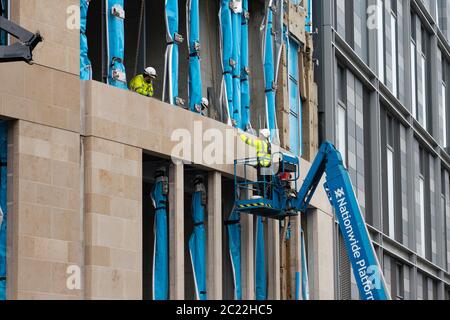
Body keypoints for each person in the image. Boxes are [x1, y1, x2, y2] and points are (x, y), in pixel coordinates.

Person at [240, 129, 272, 197]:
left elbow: (249, 141)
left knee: (261, 181)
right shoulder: (268, 144)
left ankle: (263, 195)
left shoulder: (260, 142)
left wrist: (241, 134)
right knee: (266, 181)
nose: (259, 135)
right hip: (267, 165)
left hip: (262, 164)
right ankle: (267, 195)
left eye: (260, 134)